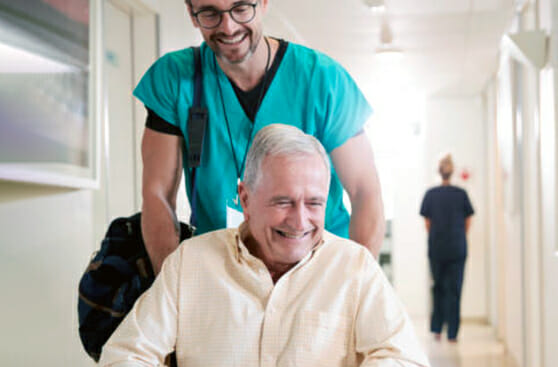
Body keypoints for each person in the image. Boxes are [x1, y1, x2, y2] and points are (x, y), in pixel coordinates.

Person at [93, 125, 431, 367]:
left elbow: (408, 366)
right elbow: (119, 362)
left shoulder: (354, 267)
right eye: (283, 202)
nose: (300, 221)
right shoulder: (191, 262)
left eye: (314, 203)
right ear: (246, 198)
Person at [138, 0, 384, 275]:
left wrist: (358, 288)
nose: (228, 27)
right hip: (221, 270)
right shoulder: (176, 78)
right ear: (192, 14)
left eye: (241, 8)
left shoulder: (322, 79)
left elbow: (365, 191)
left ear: (264, 3)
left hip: (319, 269)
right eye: (210, 13)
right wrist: (172, 287)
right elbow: (157, 194)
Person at [419, 154, 474, 343]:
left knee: (438, 288)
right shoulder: (461, 194)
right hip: (458, 248)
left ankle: (437, 329)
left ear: (439, 171)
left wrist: (437, 236)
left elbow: (428, 223)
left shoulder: (430, 195)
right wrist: (459, 237)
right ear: (452, 172)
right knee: (455, 290)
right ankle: (453, 333)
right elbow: (468, 221)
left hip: (437, 247)